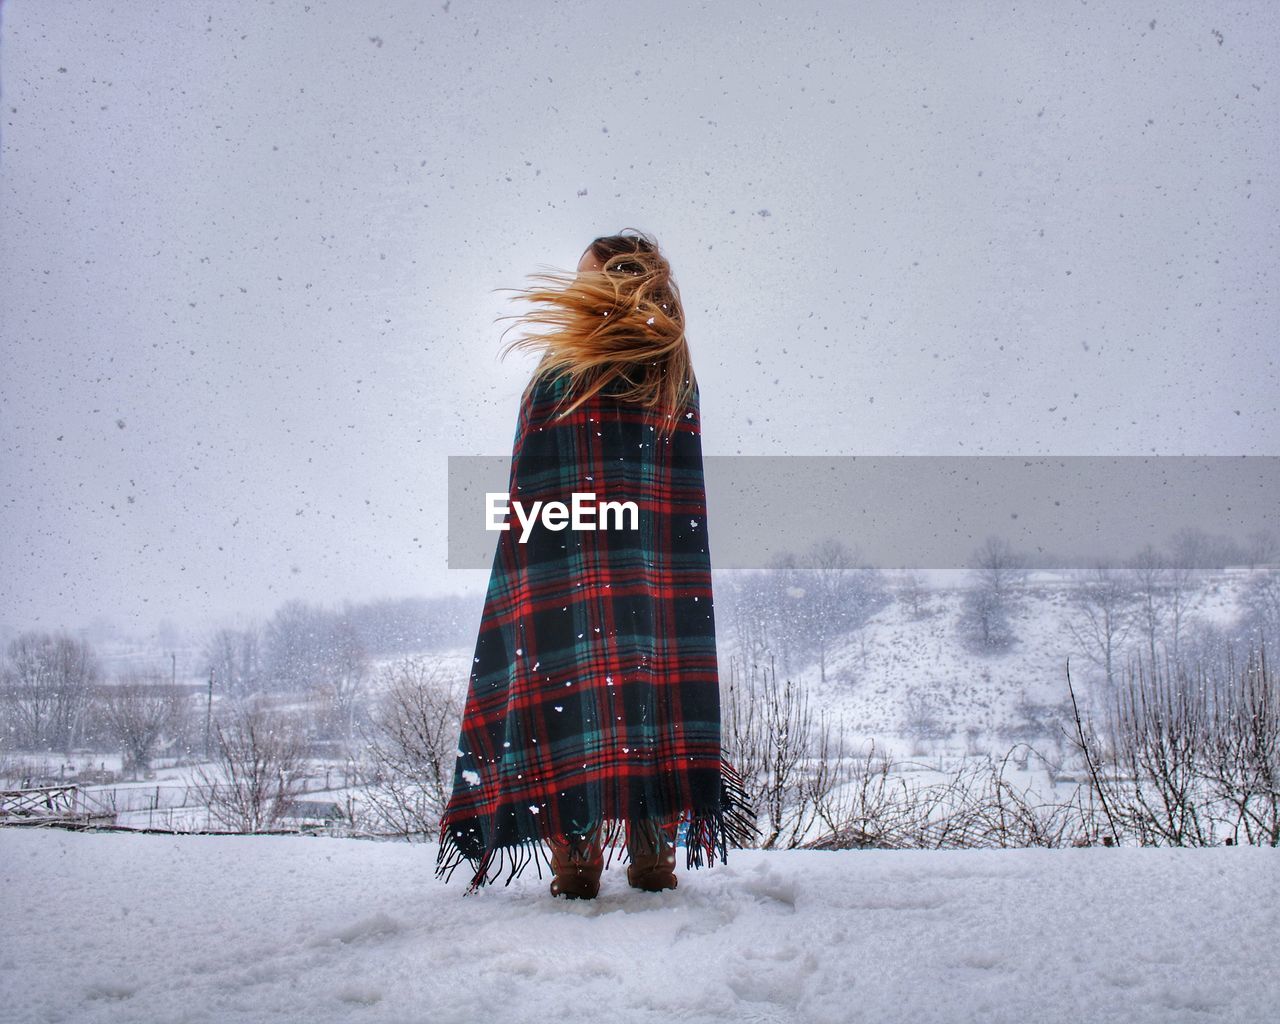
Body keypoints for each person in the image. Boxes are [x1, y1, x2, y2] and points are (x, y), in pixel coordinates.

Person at [436, 230, 756, 899]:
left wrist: (527, 562)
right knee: (650, 702)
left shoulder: (563, 370)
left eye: (587, 275)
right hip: (650, 571)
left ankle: (577, 866)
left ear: (612, 280)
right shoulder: (671, 370)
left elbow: (533, 476)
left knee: (571, 702)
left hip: (566, 562)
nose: (577, 285)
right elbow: (675, 486)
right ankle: (653, 862)